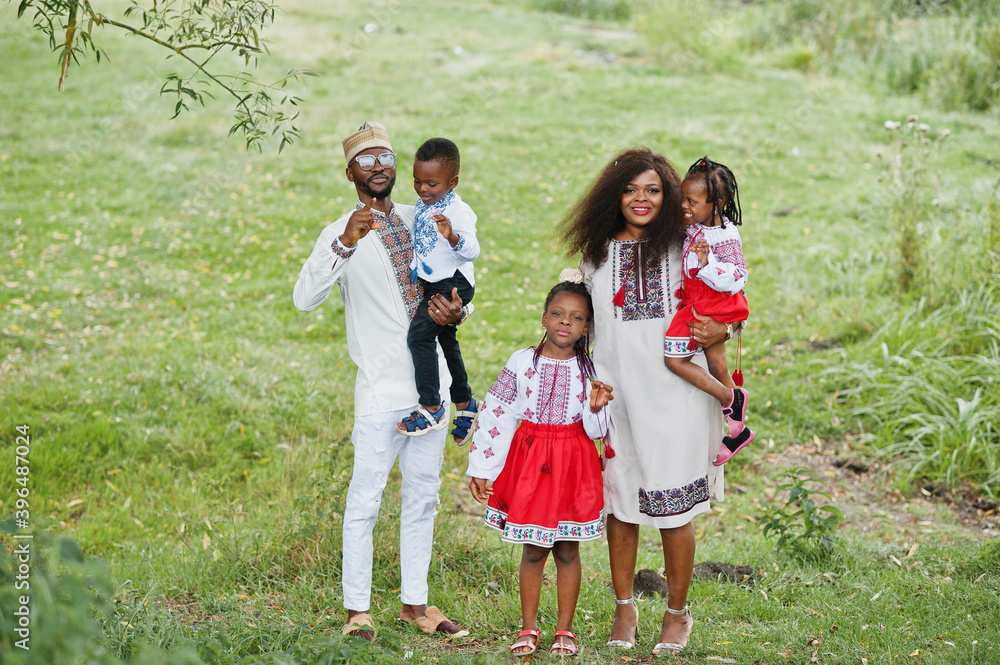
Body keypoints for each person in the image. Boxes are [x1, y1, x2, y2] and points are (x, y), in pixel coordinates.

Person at [292, 121, 468, 641]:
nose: (378, 168)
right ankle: (357, 611)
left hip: (430, 388)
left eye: (386, 158)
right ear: (350, 172)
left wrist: (456, 312)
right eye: (366, 160)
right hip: (379, 388)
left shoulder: (425, 217)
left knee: (423, 495)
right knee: (365, 499)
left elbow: (456, 276)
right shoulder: (338, 231)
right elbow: (304, 298)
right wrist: (345, 244)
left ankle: (417, 604)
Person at [560, 147, 733, 657]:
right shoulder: (595, 256)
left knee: (674, 508)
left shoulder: (686, 248)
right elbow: (576, 327)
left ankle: (677, 613)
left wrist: (723, 327)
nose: (642, 199)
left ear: (670, 195)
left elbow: (726, 304)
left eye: (653, 190)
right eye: (632, 190)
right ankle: (624, 605)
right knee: (623, 503)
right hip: (617, 400)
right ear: (613, 197)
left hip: (676, 397)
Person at [467, 279, 614, 657]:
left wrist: (596, 409)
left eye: (576, 318)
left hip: (573, 463)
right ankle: (528, 626)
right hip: (531, 461)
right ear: (544, 318)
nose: (566, 323)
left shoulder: (592, 368)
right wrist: (482, 466)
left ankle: (565, 630)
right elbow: (497, 414)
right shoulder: (521, 362)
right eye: (558, 314)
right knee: (533, 549)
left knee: (567, 549)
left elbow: (596, 430)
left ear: (586, 328)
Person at [665, 156, 754, 466]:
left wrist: (707, 265)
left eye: (692, 201)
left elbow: (737, 277)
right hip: (700, 297)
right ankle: (737, 431)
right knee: (717, 366)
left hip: (711, 302)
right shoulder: (696, 225)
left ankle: (730, 398)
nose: (684, 206)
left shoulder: (725, 235)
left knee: (675, 360)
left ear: (716, 204)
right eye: (682, 199)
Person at [397, 137, 481, 443]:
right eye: (417, 181)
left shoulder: (458, 211)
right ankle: (465, 402)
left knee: (419, 336)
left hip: (454, 284)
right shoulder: (426, 203)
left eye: (431, 184)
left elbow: (472, 249)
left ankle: (431, 406)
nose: (422, 189)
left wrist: (452, 236)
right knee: (446, 339)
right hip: (434, 282)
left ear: (452, 182)